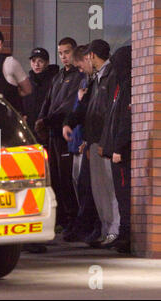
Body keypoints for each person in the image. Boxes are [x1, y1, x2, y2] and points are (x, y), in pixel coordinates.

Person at [62, 39, 120, 247]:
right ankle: (107, 231)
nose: (84, 63)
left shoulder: (111, 76)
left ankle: (114, 231)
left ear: (92, 56)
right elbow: (88, 109)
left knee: (109, 189)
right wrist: (72, 124)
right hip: (95, 142)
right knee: (99, 190)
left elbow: (110, 114)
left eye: (87, 58)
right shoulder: (97, 78)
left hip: (104, 143)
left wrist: (106, 141)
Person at [35, 37, 82, 235]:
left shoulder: (78, 76)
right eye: (61, 53)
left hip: (67, 134)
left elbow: (68, 105)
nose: (64, 57)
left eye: (67, 52)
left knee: (66, 179)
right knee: (54, 178)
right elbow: (48, 101)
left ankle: (73, 221)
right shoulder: (59, 76)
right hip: (53, 134)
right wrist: (41, 120)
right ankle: (62, 219)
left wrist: (47, 120)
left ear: (75, 52)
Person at [63, 45, 100, 244]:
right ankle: (87, 226)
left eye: (80, 65)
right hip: (86, 142)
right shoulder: (89, 81)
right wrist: (68, 123)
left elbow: (95, 114)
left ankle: (92, 227)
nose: (79, 70)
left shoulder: (98, 81)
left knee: (91, 189)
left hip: (94, 143)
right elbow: (83, 110)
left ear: (88, 58)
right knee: (84, 187)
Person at [99, 46, 132, 253]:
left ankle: (126, 236)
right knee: (120, 196)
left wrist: (118, 147)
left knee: (124, 194)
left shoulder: (128, 86)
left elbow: (125, 121)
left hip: (122, 153)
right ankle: (124, 234)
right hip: (115, 150)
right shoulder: (120, 85)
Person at [22, 47, 59, 139]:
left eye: (40, 61)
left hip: (49, 129)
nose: (36, 64)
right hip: (30, 130)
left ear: (47, 62)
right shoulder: (27, 82)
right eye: (33, 61)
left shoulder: (55, 81)